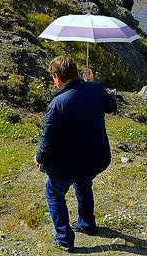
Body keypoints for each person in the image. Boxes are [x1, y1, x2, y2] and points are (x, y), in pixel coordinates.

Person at [34, 55, 117, 251]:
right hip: (95, 158)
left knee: (54, 193)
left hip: (69, 163)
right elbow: (111, 106)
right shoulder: (94, 89)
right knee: (84, 182)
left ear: (57, 77)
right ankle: (87, 224)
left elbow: (49, 140)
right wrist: (93, 83)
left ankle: (64, 238)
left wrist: (39, 158)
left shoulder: (58, 104)